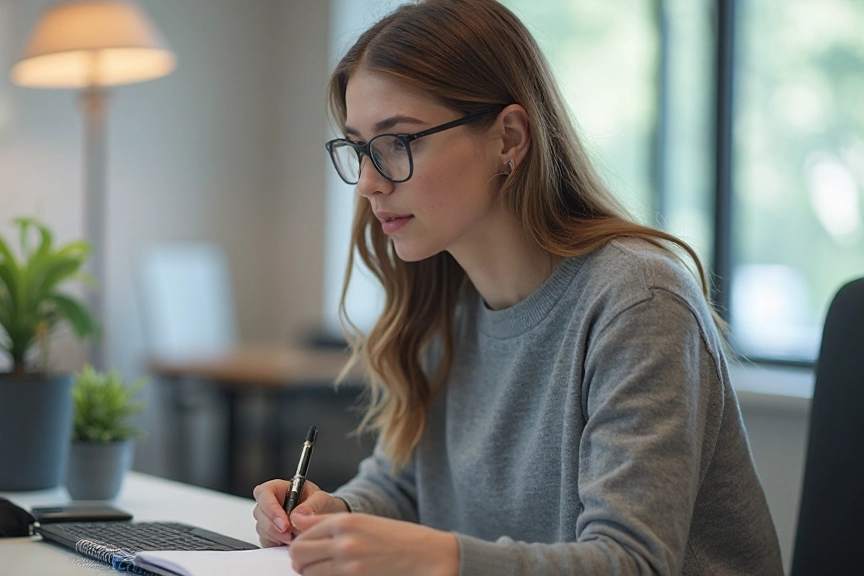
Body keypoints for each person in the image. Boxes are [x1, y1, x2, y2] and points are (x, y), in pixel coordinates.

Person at [252, 0, 784, 574]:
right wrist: (337, 512)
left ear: (508, 137)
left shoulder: (639, 299)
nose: (368, 183)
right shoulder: (441, 302)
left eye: (397, 143)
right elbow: (407, 485)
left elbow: (632, 562)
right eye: (359, 149)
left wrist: (441, 557)